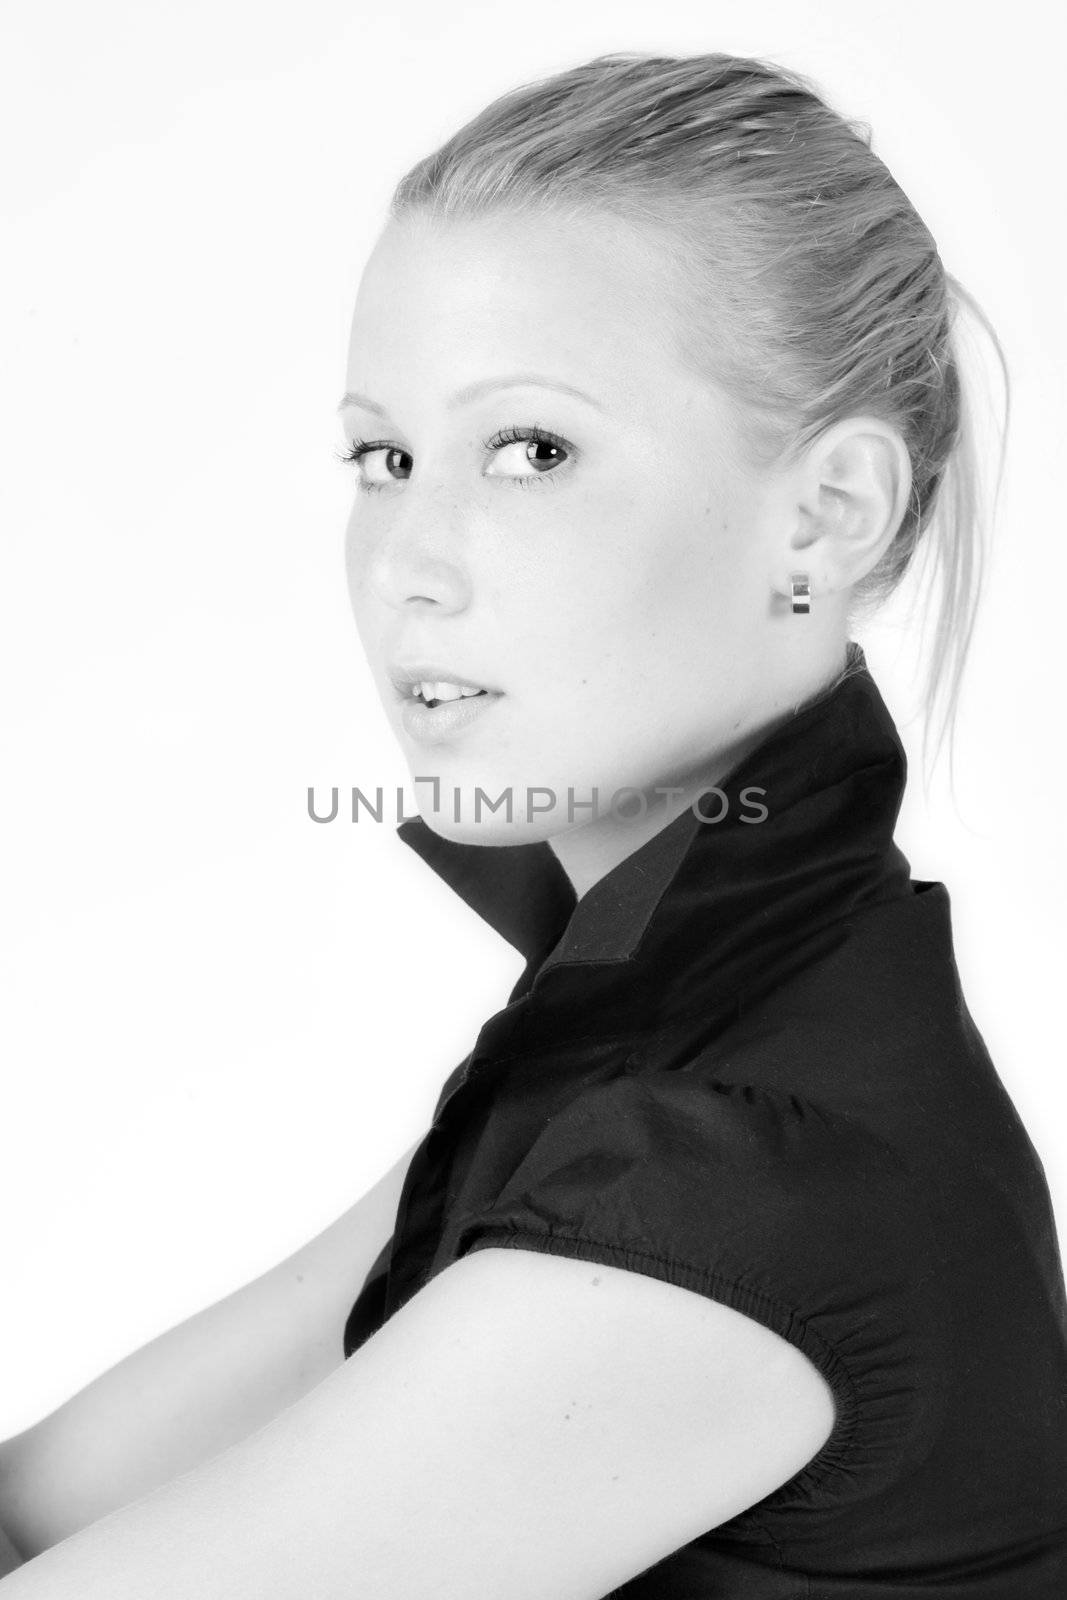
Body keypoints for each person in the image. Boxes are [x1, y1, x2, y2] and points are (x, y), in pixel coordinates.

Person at [1, 46, 1064, 1600]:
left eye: (533, 450)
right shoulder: (648, 1054)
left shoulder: (740, 1182)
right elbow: (41, 1508)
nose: (405, 563)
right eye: (385, 457)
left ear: (830, 515)